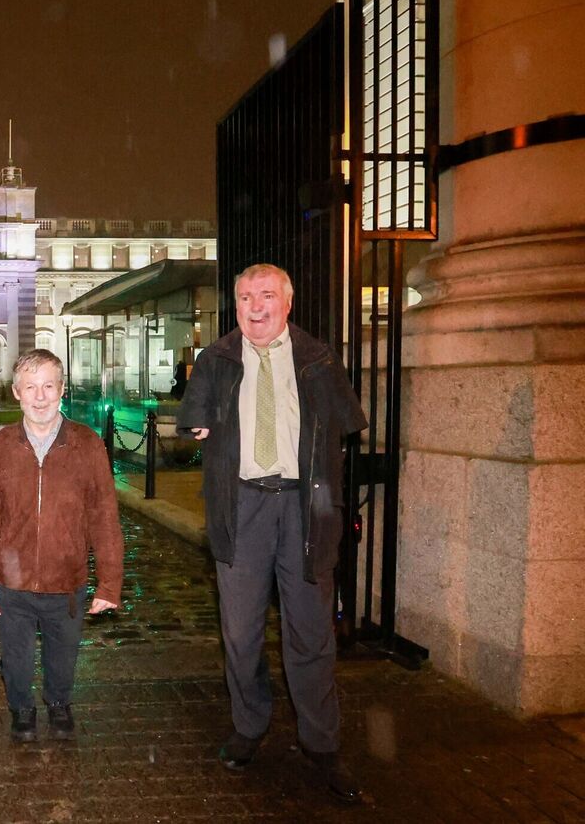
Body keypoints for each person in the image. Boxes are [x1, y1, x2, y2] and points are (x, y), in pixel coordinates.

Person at [179, 264, 367, 803]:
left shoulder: (317, 358)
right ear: (235, 305)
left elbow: (345, 427)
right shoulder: (215, 360)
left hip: (304, 509)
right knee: (239, 633)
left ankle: (322, 744)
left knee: (310, 631)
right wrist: (202, 424)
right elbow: (194, 419)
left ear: (287, 302)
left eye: (265, 296)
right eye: (244, 297)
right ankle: (249, 724)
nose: (254, 306)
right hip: (242, 507)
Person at [0, 349, 122, 742]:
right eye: (31, 387)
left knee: (63, 653)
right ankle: (20, 708)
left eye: (49, 386)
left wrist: (110, 583)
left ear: (62, 390)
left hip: (65, 579)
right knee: (16, 657)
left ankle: (59, 702)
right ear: (16, 392)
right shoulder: (3, 444)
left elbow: (103, 515)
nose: (40, 397)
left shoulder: (86, 444)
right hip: (12, 581)